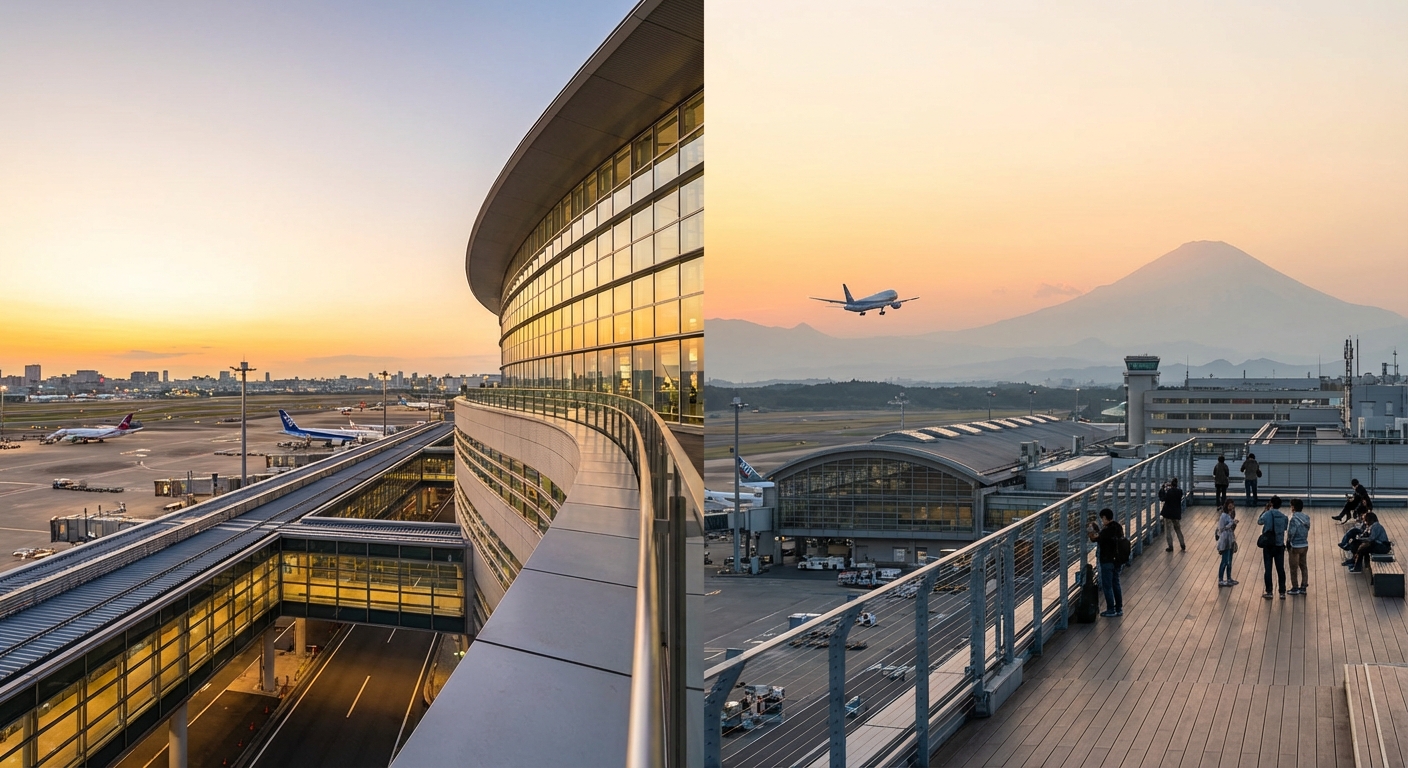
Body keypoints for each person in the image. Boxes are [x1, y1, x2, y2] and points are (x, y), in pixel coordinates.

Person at [1087, 507, 1123, 617]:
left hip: (1107, 561)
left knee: (1107, 586)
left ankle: (1111, 610)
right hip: (1117, 560)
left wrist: (1090, 532)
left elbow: (1095, 539)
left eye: (1102, 519)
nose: (1102, 521)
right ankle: (1119, 608)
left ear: (1105, 518)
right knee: (1116, 583)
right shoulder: (1118, 527)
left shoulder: (1106, 531)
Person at [1256, 496, 1288, 598]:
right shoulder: (1284, 516)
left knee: (1268, 569)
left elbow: (1259, 521)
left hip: (1268, 545)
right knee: (1280, 569)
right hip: (1279, 545)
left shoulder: (1267, 514)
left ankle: (1269, 591)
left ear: (1271, 504)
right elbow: (1285, 528)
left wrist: (1265, 510)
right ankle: (1282, 592)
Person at [1286, 499, 1310, 595]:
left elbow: (1291, 533)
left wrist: (1288, 541)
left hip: (1295, 545)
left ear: (1293, 507)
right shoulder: (1306, 518)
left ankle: (1295, 587)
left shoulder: (1293, 519)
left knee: (1293, 568)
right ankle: (1303, 586)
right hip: (1304, 544)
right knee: (1303, 566)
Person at [1159, 477, 1185, 552]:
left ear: (1171, 484)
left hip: (1168, 514)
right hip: (1176, 513)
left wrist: (1162, 489)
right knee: (1178, 529)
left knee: (1168, 530)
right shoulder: (1179, 492)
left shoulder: (1169, 492)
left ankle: (1170, 546)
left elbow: (1162, 498)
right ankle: (1182, 544)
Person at [1216, 501, 1239, 586]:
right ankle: (1221, 579)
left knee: (1229, 561)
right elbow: (1221, 528)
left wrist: (1234, 524)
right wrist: (1231, 523)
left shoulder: (1229, 516)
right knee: (1225, 561)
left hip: (1230, 540)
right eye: (1230, 506)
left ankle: (1229, 578)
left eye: (1232, 506)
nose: (1231, 508)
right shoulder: (1223, 516)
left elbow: (1232, 528)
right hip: (1225, 540)